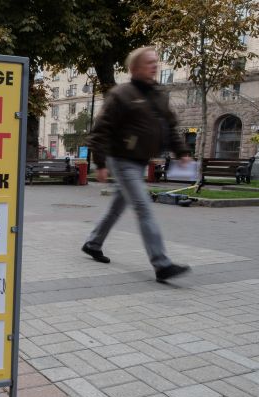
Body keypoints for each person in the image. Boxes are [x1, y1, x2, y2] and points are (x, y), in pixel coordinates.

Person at [81, 46, 192, 282]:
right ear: (134, 68)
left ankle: (93, 243)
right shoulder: (121, 94)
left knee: (117, 206)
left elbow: (170, 127)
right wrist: (100, 163)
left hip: (140, 161)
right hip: (121, 160)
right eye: (149, 62)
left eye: (156, 62)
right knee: (143, 207)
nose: (155, 66)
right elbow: (101, 130)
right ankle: (162, 264)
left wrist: (182, 152)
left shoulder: (158, 94)